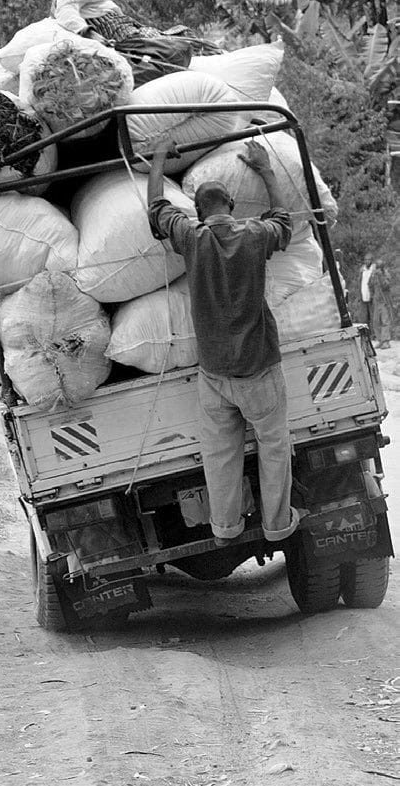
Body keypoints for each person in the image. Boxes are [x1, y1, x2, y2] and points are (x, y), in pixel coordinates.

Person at [146, 138, 300, 546]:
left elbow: (157, 209)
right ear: (231, 204)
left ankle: (225, 529)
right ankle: (277, 525)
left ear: (197, 211)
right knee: (273, 448)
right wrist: (265, 170)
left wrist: (161, 157)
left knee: (220, 457)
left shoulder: (191, 238)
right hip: (260, 367)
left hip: (214, 373)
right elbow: (285, 221)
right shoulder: (255, 235)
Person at [371, 259, 393, 349]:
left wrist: (380, 276)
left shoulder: (386, 274)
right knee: (376, 322)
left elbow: (385, 286)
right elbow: (370, 286)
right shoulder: (374, 275)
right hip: (376, 301)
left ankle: (386, 341)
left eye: (379, 267)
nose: (377, 269)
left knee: (385, 321)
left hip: (384, 302)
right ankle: (380, 340)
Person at [358, 252, 376, 337]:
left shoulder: (374, 269)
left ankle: (375, 334)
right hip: (363, 296)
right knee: (364, 317)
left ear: (371, 260)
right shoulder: (362, 270)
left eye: (368, 259)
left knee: (373, 317)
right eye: (365, 260)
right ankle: (366, 335)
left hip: (372, 297)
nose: (366, 261)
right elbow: (360, 282)